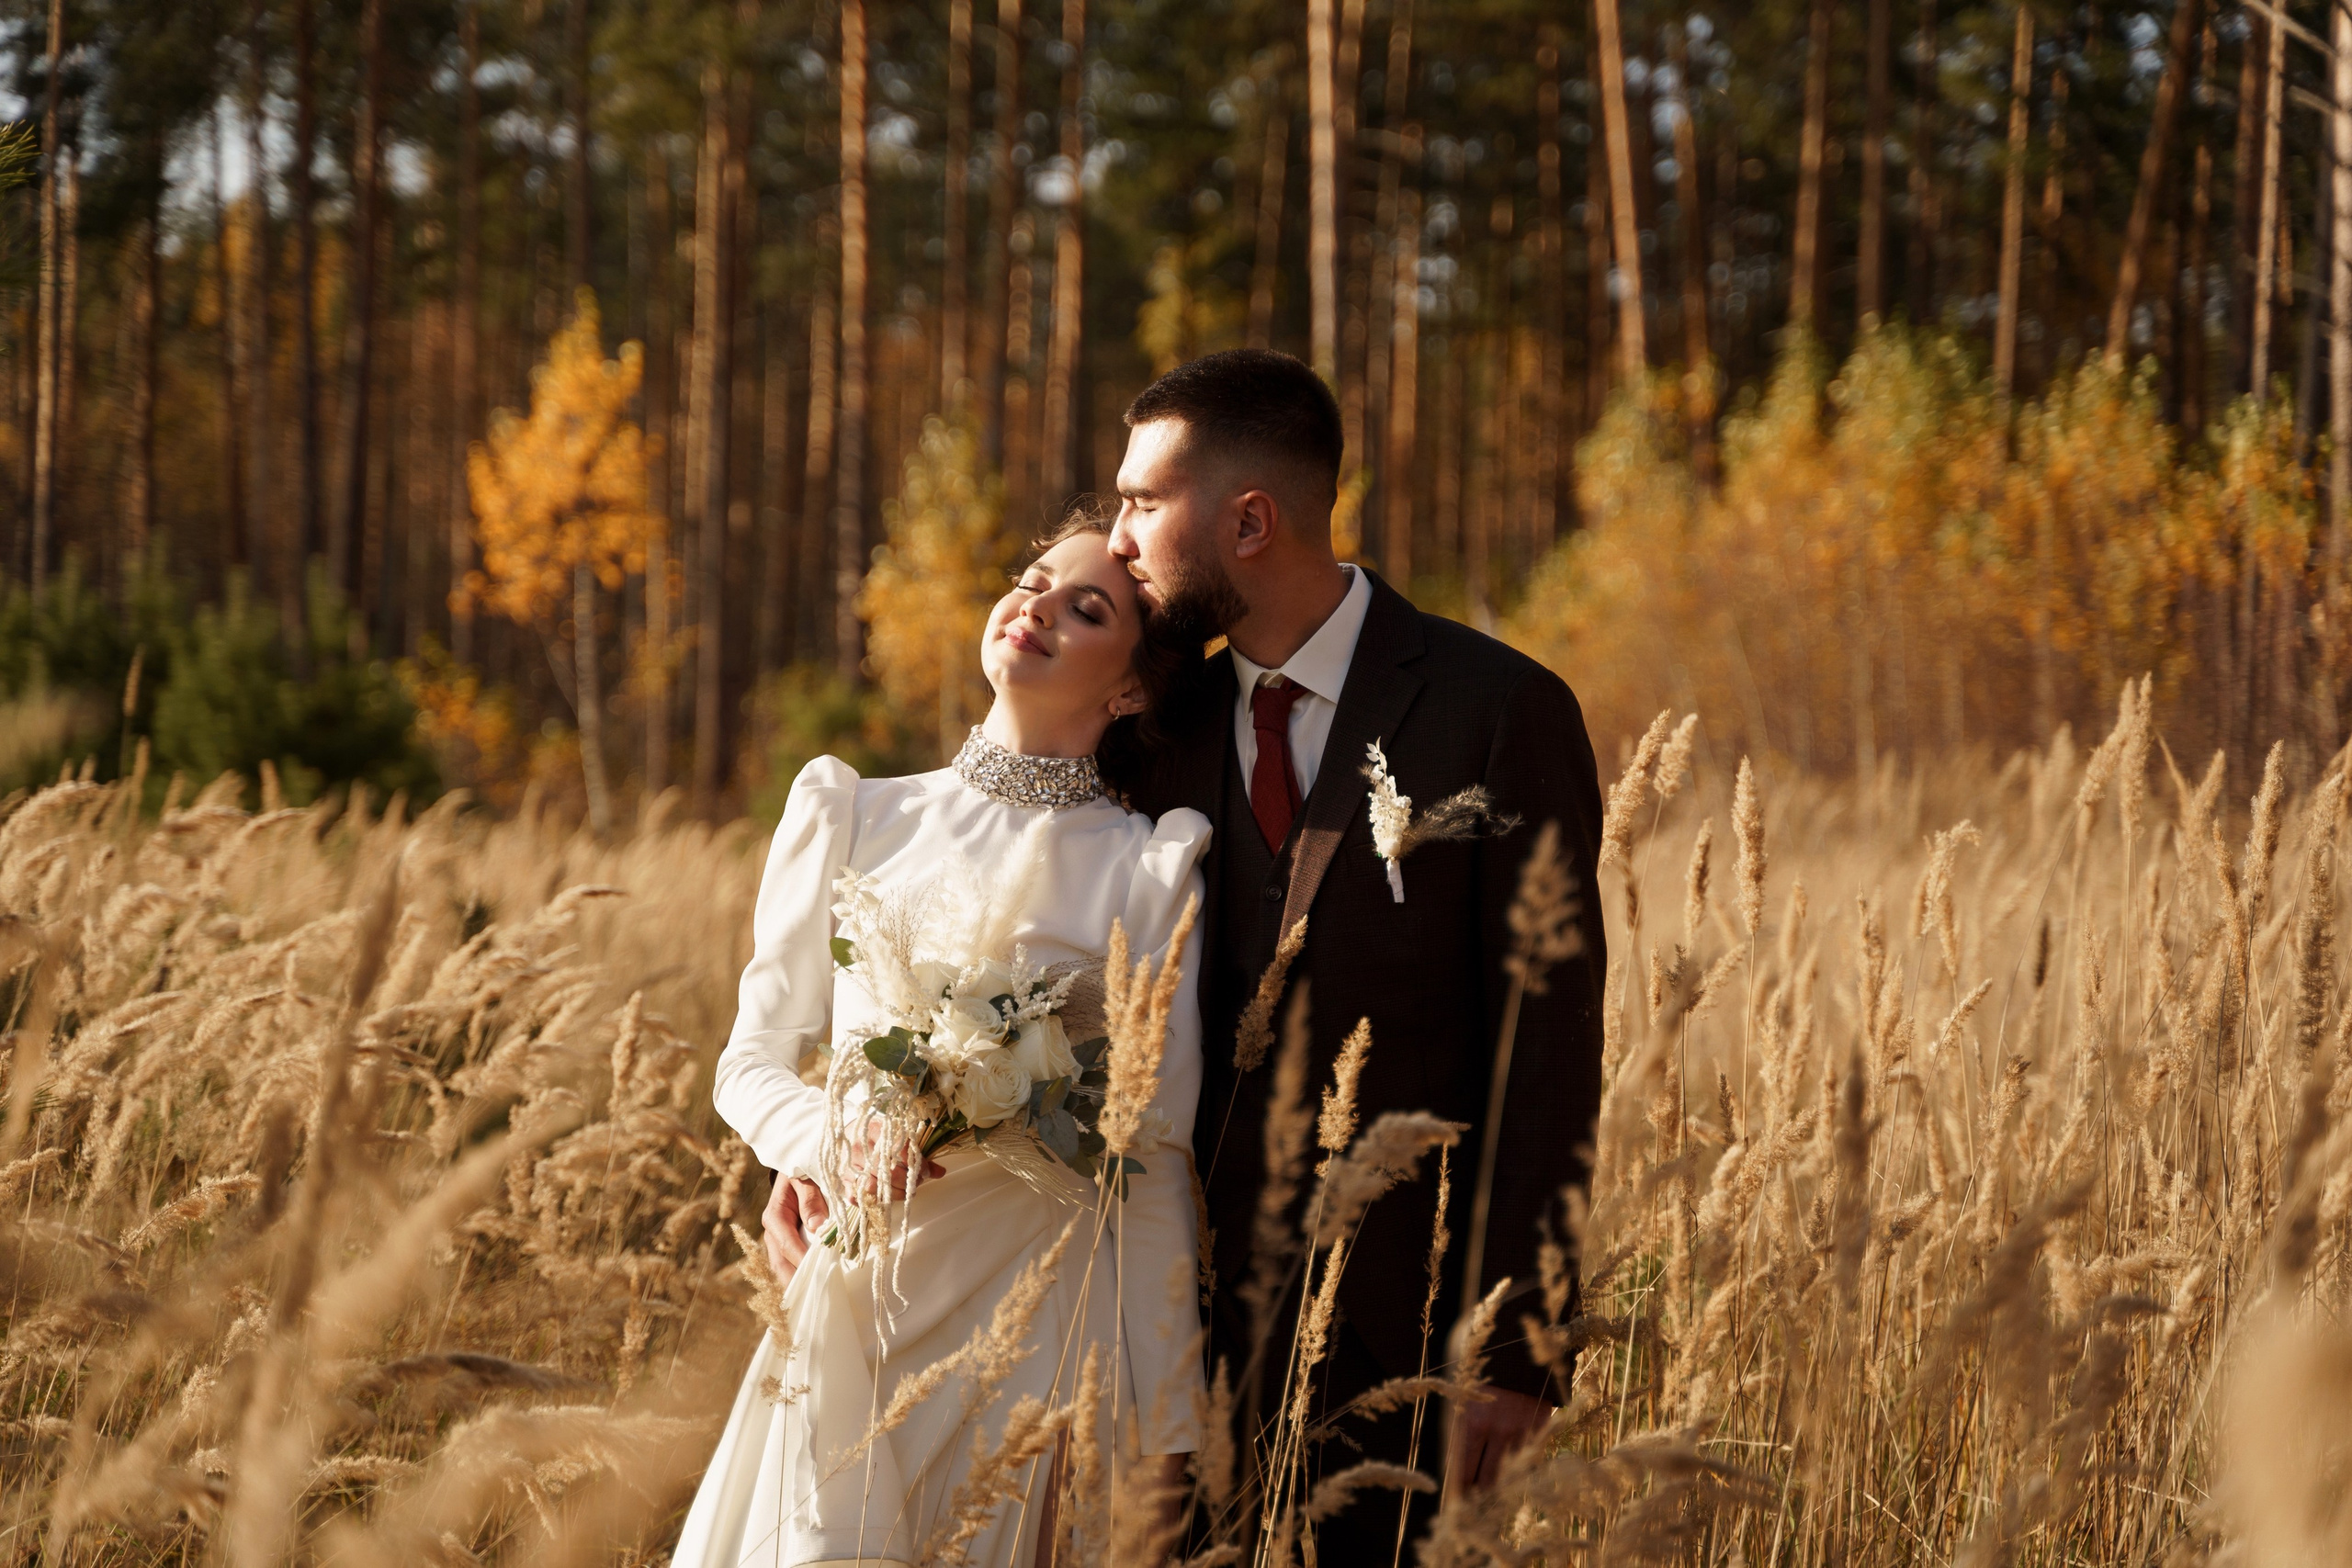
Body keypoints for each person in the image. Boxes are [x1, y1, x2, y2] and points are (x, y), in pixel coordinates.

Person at [1110, 349, 1608, 1557]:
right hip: (1147, 1356)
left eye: (1139, 502)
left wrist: (1515, 1339)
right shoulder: (1141, 727)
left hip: (1399, 1348)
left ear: (1249, 518)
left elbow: (1541, 1050)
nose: (1116, 537)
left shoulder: (1499, 710)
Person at [676, 508, 1210, 1568]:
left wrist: (1170, 1425)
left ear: (1131, 687)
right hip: (859, 1290)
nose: (1037, 605)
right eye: (1031, 579)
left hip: (1039, 1310)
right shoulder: (854, 813)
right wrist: (828, 1143)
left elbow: (1150, 1163)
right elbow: (750, 1061)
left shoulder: (1146, 872)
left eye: (1086, 607)